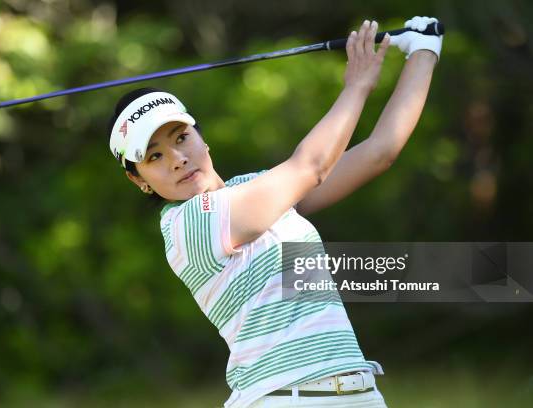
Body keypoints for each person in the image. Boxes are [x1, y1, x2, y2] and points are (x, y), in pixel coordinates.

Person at [107, 16, 442, 408]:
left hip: (359, 394)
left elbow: (379, 152)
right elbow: (310, 166)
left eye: (182, 138)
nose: (178, 159)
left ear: (202, 136)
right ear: (139, 180)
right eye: (155, 156)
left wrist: (424, 50)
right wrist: (356, 86)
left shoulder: (257, 188)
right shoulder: (187, 226)